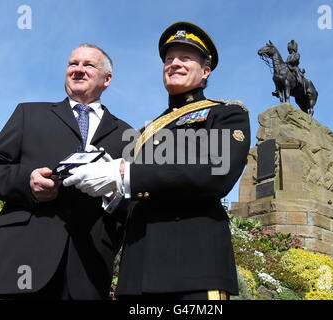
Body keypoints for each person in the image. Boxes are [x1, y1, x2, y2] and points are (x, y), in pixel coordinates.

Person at [65, 21, 251, 300]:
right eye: (169, 59)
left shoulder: (225, 114)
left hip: (193, 268)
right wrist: (104, 187)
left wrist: (125, 175)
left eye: (185, 58)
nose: (174, 63)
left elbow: (217, 171)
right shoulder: (143, 133)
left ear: (205, 72)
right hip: (137, 271)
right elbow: (127, 196)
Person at [0, 43, 132, 299]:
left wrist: (112, 197)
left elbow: (133, 204)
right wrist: (28, 181)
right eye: (73, 64)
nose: (78, 70)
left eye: (88, 65)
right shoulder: (29, 113)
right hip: (18, 266)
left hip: (86, 276)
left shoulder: (127, 135)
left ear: (107, 78)